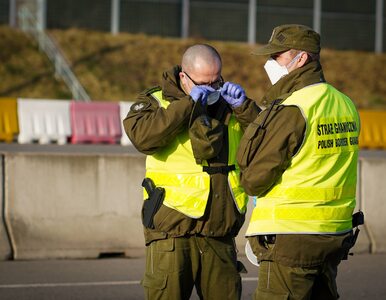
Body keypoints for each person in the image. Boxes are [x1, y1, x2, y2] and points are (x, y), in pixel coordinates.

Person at [123, 44, 260, 300]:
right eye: (203, 84)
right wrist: (188, 104)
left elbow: (267, 145)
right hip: (173, 231)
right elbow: (143, 138)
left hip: (220, 231)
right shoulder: (155, 101)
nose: (212, 90)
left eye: (216, 81)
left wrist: (245, 108)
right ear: (184, 77)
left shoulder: (230, 104)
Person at [236, 24, 362, 300]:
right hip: (333, 232)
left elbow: (254, 179)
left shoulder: (294, 108)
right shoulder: (345, 103)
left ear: (301, 59)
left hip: (291, 238)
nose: (270, 63)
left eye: (277, 56)